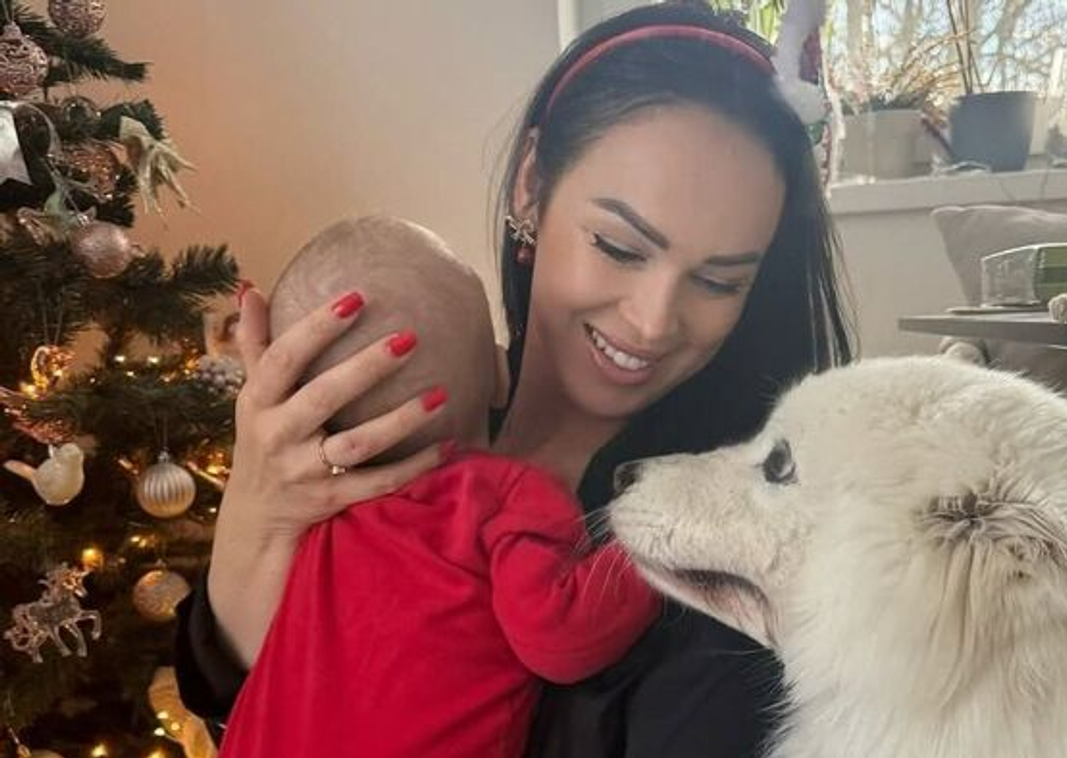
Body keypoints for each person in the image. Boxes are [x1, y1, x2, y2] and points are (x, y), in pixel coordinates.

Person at [175, 3, 855, 756]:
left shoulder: (726, 562)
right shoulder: (379, 423)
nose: (653, 321)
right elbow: (232, 694)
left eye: (719, 282)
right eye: (619, 246)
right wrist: (255, 519)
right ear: (532, 182)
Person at [216, 215, 658, 757]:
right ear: (500, 375)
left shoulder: (318, 518)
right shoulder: (503, 498)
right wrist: (652, 541)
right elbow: (560, 636)